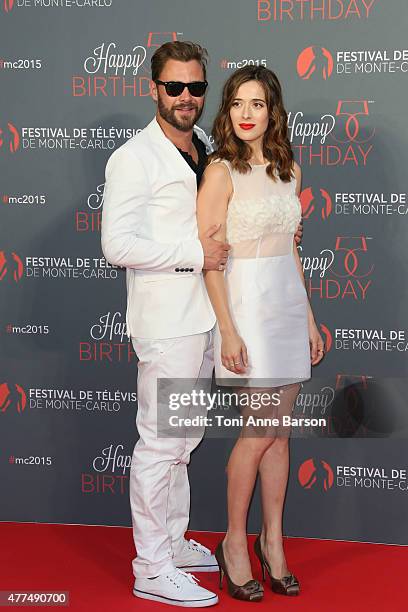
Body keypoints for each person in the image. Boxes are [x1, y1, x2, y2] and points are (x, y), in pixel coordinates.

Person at [101, 41, 227, 607]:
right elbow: (116, 244)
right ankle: (150, 565)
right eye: (174, 87)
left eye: (195, 88)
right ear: (154, 88)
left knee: (182, 442)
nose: (185, 98)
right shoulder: (133, 157)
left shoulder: (204, 146)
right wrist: (195, 253)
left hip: (204, 317)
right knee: (159, 444)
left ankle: (172, 543)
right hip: (166, 321)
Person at [196, 65, 324, 602]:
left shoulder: (287, 167)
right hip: (245, 309)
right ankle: (232, 543)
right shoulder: (220, 171)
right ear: (226, 112)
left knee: (280, 433)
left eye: (257, 103)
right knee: (257, 432)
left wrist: (310, 314)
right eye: (237, 104)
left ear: (273, 111)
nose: (246, 114)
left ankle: (272, 542)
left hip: (287, 307)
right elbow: (210, 260)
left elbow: (291, 249)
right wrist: (226, 329)